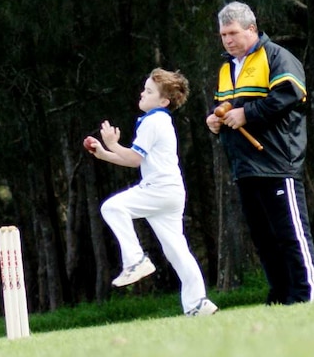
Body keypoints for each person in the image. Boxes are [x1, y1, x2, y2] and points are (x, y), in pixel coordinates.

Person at [206, 1, 314, 305]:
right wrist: (215, 120)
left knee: (290, 233)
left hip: (278, 160)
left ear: (252, 29)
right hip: (245, 165)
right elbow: (225, 106)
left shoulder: (277, 57)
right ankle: (280, 294)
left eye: (233, 33)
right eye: (223, 35)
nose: (228, 40)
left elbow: (290, 95)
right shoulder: (227, 68)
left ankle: (304, 293)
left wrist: (247, 114)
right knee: (264, 237)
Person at [84, 68, 218, 317]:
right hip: (171, 192)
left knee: (112, 207)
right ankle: (197, 304)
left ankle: (135, 260)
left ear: (164, 101)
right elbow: (137, 160)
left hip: (158, 190)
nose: (142, 94)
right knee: (177, 250)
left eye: (149, 91)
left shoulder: (153, 121)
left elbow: (134, 159)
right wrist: (104, 153)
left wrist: (112, 144)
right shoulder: (160, 121)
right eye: (144, 89)